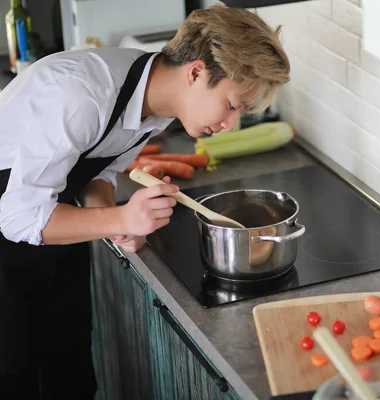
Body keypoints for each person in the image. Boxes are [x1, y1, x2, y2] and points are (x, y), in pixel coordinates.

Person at [0, 4, 290, 399]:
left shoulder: (151, 101)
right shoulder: (84, 95)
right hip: (11, 233)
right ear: (196, 73)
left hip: (52, 236)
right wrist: (119, 216)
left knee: (71, 376)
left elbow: (95, 173)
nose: (229, 125)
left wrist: (118, 221)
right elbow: (17, 216)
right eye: (233, 104)